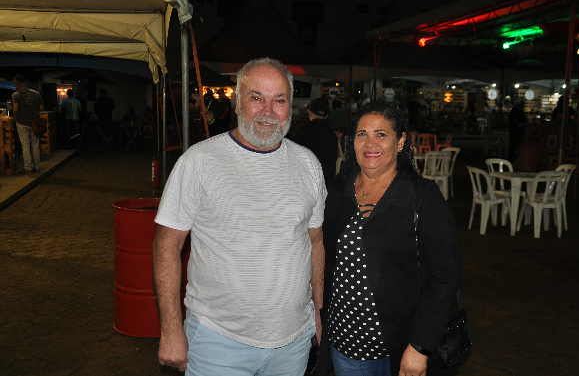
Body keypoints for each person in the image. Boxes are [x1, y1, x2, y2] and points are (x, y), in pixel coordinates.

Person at [152, 57, 326, 375]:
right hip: (217, 342)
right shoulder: (199, 161)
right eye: (256, 98)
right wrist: (171, 330)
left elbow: (315, 243)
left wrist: (318, 310)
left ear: (291, 107)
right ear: (237, 102)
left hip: (293, 344)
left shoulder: (308, 164)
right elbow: (167, 245)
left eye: (279, 100)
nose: (268, 112)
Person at [317, 102, 462, 376]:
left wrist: (420, 346)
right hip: (347, 346)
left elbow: (445, 273)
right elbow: (322, 257)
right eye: (362, 134)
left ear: (401, 141)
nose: (370, 143)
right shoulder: (337, 192)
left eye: (381, 134)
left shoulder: (422, 196)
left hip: (404, 346)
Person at [292, 98, 339, 185]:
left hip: (306, 185)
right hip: (326, 186)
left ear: (309, 112)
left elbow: (292, 159)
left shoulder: (302, 131)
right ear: (326, 116)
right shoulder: (332, 135)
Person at [11, 75, 44, 174]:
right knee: (35, 144)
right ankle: (37, 167)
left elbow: (15, 109)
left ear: (17, 83)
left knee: (25, 145)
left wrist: (15, 118)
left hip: (22, 123)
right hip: (35, 123)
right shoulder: (36, 94)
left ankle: (28, 168)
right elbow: (41, 108)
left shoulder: (16, 95)